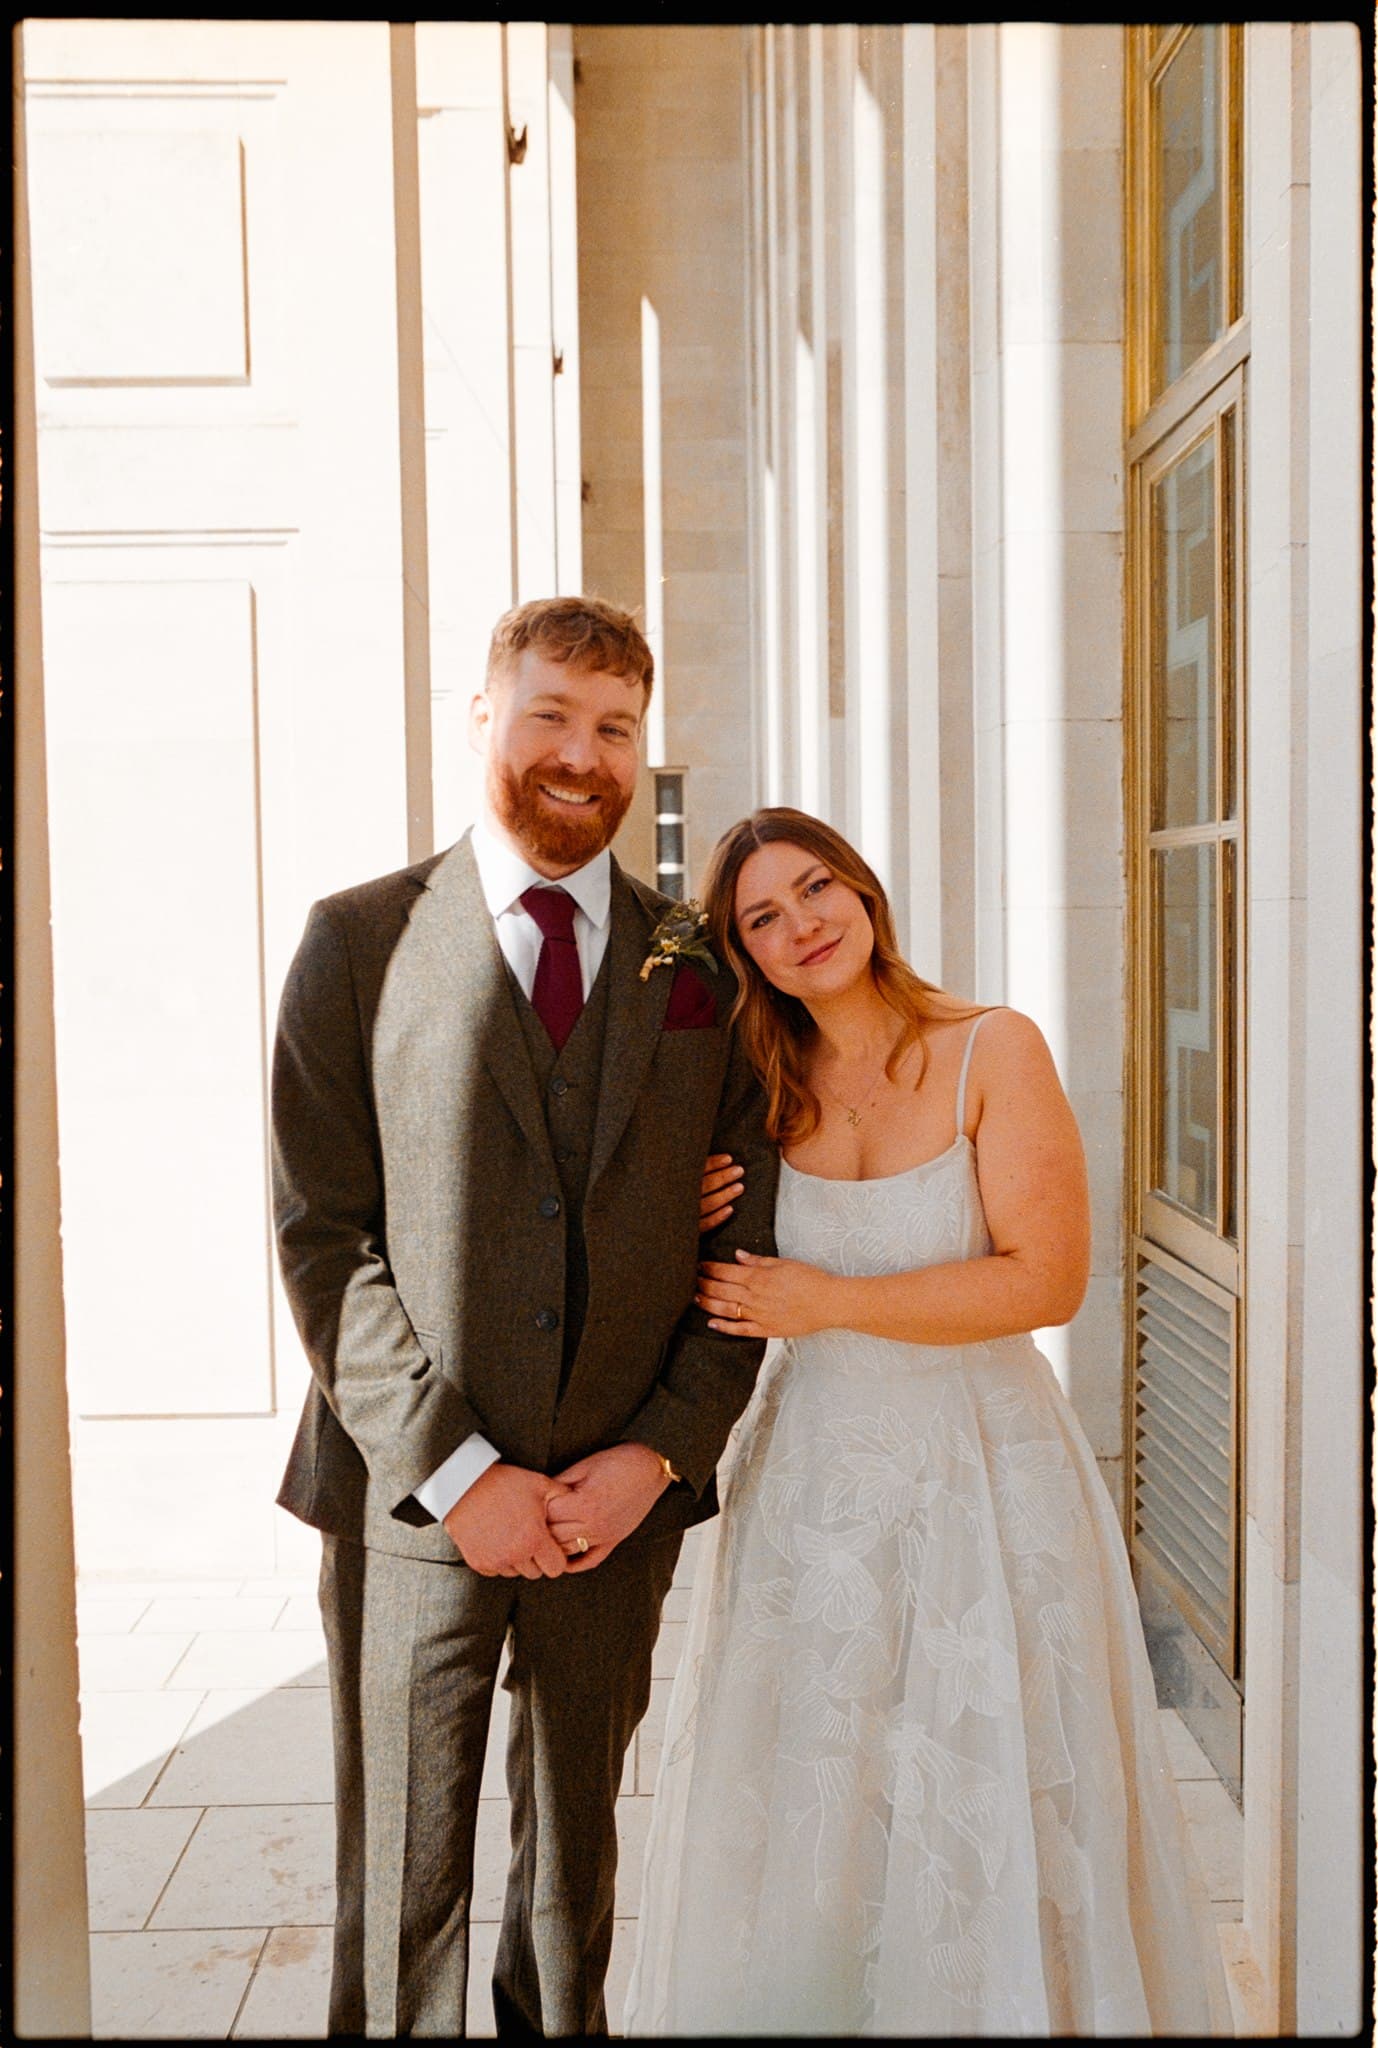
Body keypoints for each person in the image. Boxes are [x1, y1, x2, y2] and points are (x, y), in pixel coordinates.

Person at [625, 806, 1231, 2037]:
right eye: (762, 917)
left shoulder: (989, 1047)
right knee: (822, 1786)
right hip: (813, 1485)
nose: (801, 925)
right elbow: (674, 1257)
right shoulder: (752, 1086)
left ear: (863, 888)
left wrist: (829, 1299)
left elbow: (1044, 1279)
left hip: (982, 1467)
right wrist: (672, 1199)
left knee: (986, 1765)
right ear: (742, 952)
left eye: (815, 888)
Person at [270, 596, 778, 2037]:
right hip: (409, 1508)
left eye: (613, 727)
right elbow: (322, 1237)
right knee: (404, 1884)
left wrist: (660, 1456)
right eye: (550, 713)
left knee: (573, 1885)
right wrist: (458, 1473)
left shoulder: (698, 968)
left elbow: (746, 1245)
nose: (581, 752)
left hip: (615, 1499)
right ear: (483, 715)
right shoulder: (357, 942)